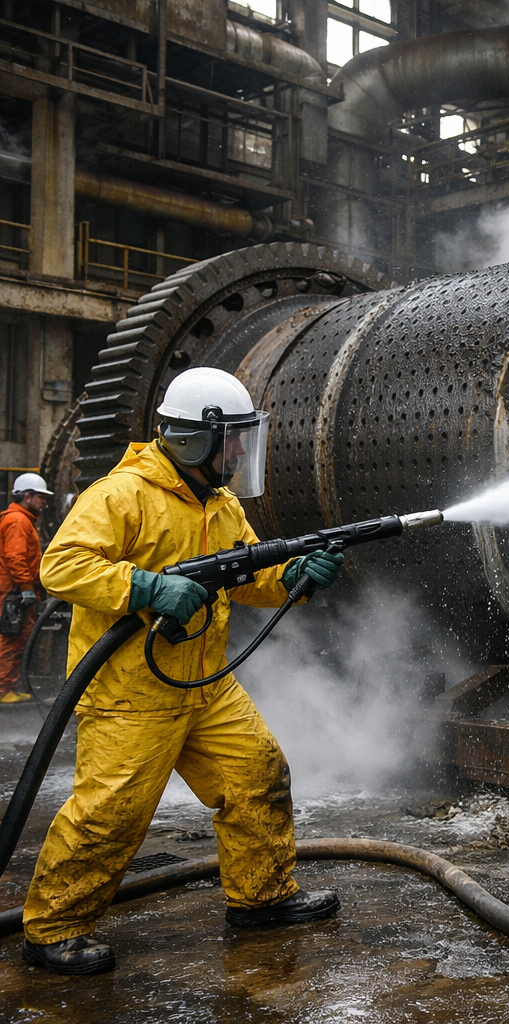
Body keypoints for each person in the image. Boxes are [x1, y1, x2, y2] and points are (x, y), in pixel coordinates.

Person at [21, 367, 346, 976]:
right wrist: (145, 586)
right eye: (234, 439)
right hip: (129, 692)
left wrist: (297, 577)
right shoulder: (122, 495)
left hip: (204, 683)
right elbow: (60, 567)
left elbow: (247, 577)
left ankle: (262, 898)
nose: (243, 451)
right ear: (197, 439)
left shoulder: (219, 506)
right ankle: (54, 929)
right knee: (109, 812)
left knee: (258, 773)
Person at [0, 473, 52, 704]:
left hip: (15, 590)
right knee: (11, 638)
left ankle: (7, 686)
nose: (45, 502)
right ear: (27, 496)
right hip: (13, 591)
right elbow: (15, 557)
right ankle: (3, 690)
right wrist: (26, 587)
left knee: (16, 637)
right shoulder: (18, 521)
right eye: (41, 497)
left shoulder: (21, 519)